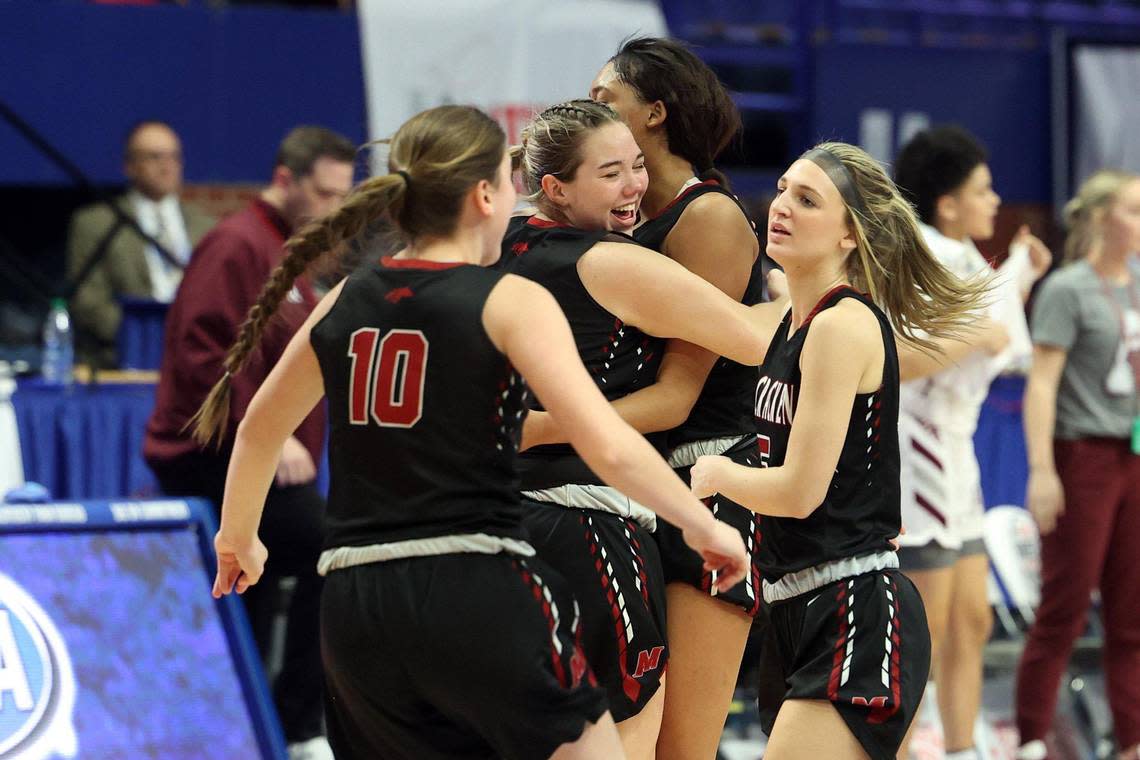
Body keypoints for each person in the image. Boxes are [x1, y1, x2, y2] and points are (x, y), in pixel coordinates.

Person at [194, 104, 750, 760]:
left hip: (354, 601)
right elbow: (607, 444)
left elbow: (258, 428)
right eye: (510, 185)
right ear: (485, 195)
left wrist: (238, 538)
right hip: (470, 583)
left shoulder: (349, 293)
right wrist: (704, 525)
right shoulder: (507, 299)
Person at [503, 99, 786, 759]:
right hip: (591, 527)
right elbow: (747, 341)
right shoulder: (608, 261)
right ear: (555, 187)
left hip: (498, 526)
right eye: (610, 173)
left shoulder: (493, 242)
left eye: (635, 165)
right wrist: (819, 285)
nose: (633, 184)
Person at [689, 142, 987, 760]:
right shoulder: (794, 321)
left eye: (807, 200)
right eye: (781, 191)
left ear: (851, 234)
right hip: (795, 605)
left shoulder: (840, 327)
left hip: (855, 607)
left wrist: (715, 473)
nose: (782, 208)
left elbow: (800, 490)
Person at [143, 125, 355, 759]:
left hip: (261, 464)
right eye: (325, 194)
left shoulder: (289, 251)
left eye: (345, 198)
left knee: (258, 591)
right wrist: (267, 431)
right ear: (285, 180)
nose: (337, 211)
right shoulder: (236, 245)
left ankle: (252, 723)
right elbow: (201, 356)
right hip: (209, 460)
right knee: (331, 545)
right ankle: (299, 723)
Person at [586, 37, 769, 759]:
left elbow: (675, 396)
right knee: (626, 734)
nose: (587, 110)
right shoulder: (620, 223)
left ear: (654, 114)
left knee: (680, 747)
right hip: (642, 484)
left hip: (710, 479)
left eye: (605, 101)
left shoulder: (709, 218)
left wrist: (533, 431)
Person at [890, 125, 1051, 760]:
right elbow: (898, 359)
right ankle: (895, 748)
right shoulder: (918, 254)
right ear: (948, 201)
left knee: (973, 622)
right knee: (920, 634)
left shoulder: (958, 258)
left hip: (957, 453)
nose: (995, 200)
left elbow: (995, 329)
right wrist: (976, 332)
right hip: (918, 446)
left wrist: (1018, 278)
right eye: (982, 190)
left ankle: (960, 750)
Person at [1015, 170, 1140, 760]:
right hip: (1082, 455)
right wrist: (1042, 471)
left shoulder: (1137, 285)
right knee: (1064, 607)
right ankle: (1034, 737)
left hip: (1133, 456)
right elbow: (1041, 385)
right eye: (1134, 211)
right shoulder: (1067, 289)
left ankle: (1131, 740)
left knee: (1132, 611)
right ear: (1100, 218)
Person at [66, 120, 215, 367]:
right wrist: (147, 338)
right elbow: (88, 301)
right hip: (124, 358)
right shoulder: (98, 222)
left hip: (196, 358)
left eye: (174, 157)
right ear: (130, 166)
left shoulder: (206, 226)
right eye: (155, 157)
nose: (167, 166)